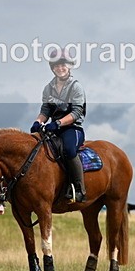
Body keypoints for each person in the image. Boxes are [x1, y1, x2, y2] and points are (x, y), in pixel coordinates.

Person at [30, 49, 87, 203]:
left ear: (69, 66)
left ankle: (79, 188)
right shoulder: (48, 88)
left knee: (68, 149)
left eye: (63, 65)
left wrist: (58, 123)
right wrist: (38, 122)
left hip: (72, 128)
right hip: (53, 128)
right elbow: (45, 110)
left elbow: (76, 112)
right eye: (56, 66)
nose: (60, 68)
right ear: (52, 68)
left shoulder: (76, 87)